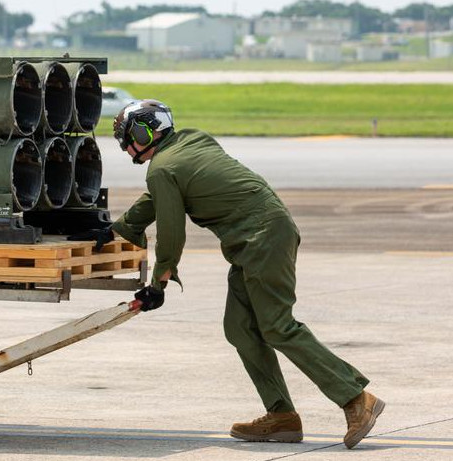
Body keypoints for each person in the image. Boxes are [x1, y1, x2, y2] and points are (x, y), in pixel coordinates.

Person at [72, 100, 384, 449]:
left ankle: (356, 399)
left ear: (143, 134)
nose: (125, 145)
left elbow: (172, 232)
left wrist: (158, 282)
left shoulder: (162, 168)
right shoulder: (191, 141)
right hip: (257, 238)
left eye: (125, 137)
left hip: (262, 238)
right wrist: (119, 230)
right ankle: (282, 417)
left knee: (278, 327)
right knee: (239, 327)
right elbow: (159, 198)